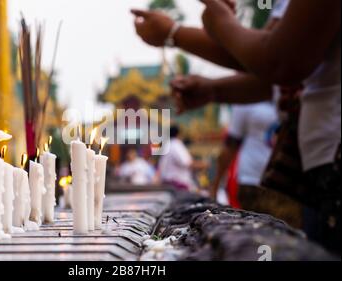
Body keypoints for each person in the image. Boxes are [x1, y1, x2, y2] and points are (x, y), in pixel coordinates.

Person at [132, 0, 341, 253]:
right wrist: (215, 88)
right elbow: (275, 59)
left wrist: (211, 25)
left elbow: (280, 60)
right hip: (315, 165)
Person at [158, 126, 205, 192]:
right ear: (179, 134)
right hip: (177, 184)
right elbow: (187, 163)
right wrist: (203, 165)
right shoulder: (176, 144)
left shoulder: (168, 145)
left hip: (168, 183)